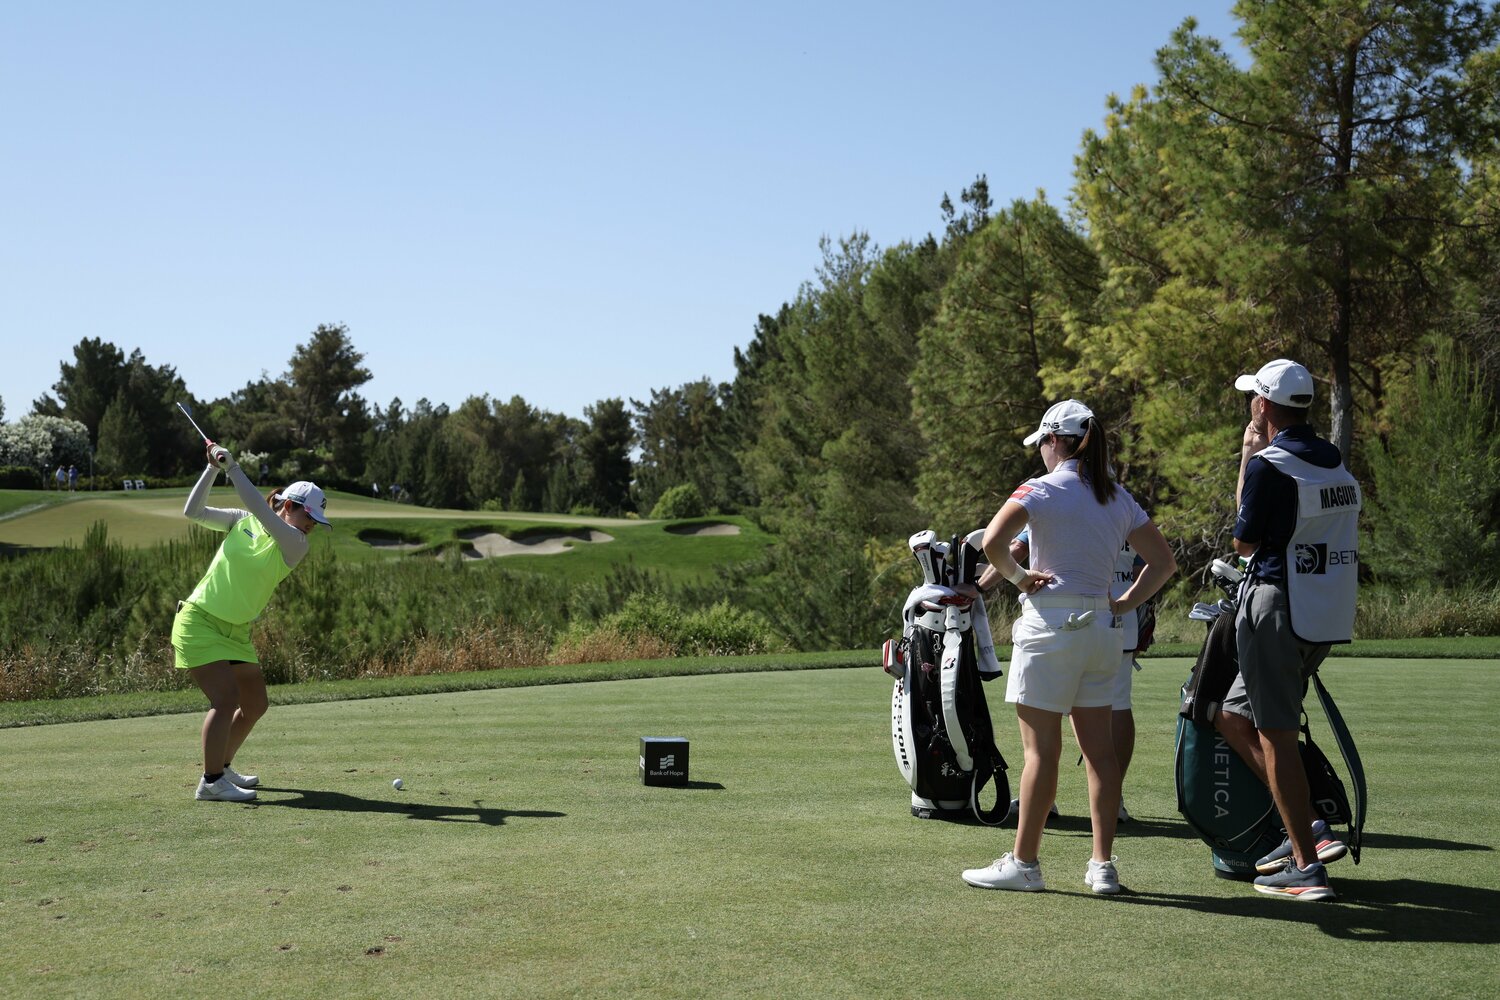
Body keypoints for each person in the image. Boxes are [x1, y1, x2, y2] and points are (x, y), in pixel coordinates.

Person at [961, 400, 1175, 894]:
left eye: (1041, 443)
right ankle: (1102, 867)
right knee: (1099, 752)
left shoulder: (1041, 488)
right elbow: (1162, 563)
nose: (1039, 451)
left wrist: (1020, 577)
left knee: (1041, 753)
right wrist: (1121, 605)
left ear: (1054, 441)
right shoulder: (1118, 496)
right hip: (1103, 630)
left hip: (1051, 626)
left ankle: (1025, 863)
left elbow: (992, 542)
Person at [1215, 359, 1360, 901]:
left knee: (1275, 734)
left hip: (1277, 608)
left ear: (1262, 405)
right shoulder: (1333, 460)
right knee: (1234, 716)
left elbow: (1244, 541)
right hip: (1322, 612)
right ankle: (1310, 833)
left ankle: (1305, 865)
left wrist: (1248, 457)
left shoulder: (1270, 464)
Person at [171, 441, 330, 802]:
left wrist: (234, 468)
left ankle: (222, 767)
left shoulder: (294, 543)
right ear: (290, 506)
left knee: (255, 704)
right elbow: (193, 511)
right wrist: (213, 468)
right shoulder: (242, 522)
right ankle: (211, 782)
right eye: (310, 519)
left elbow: (260, 509)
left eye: (316, 524)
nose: (311, 528)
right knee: (225, 700)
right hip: (199, 621)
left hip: (235, 631)